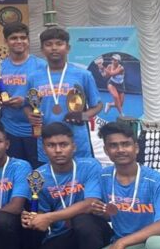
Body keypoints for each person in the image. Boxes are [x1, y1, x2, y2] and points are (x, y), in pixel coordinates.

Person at [22, 122, 112, 249]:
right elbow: (41, 212)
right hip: (62, 235)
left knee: (83, 220)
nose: (58, 150)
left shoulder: (90, 166)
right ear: (44, 149)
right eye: (51, 145)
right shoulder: (37, 176)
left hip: (93, 229)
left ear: (74, 146)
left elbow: (91, 203)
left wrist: (50, 217)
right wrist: (32, 217)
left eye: (63, 144)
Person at [25, 27, 103, 164]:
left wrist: (83, 116)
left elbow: (98, 105)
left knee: (81, 174)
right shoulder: (33, 77)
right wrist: (30, 115)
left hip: (77, 139)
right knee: (51, 176)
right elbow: (27, 106)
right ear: (42, 49)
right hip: (48, 140)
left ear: (68, 48)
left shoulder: (83, 75)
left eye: (59, 44)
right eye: (48, 44)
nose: (54, 48)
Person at [0, 23, 46, 169]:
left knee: (39, 173)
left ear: (28, 40)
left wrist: (24, 101)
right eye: (14, 38)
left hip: (36, 130)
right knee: (16, 172)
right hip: (9, 129)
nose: (19, 41)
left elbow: (49, 93)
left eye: (23, 38)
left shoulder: (41, 65)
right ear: (6, 41)